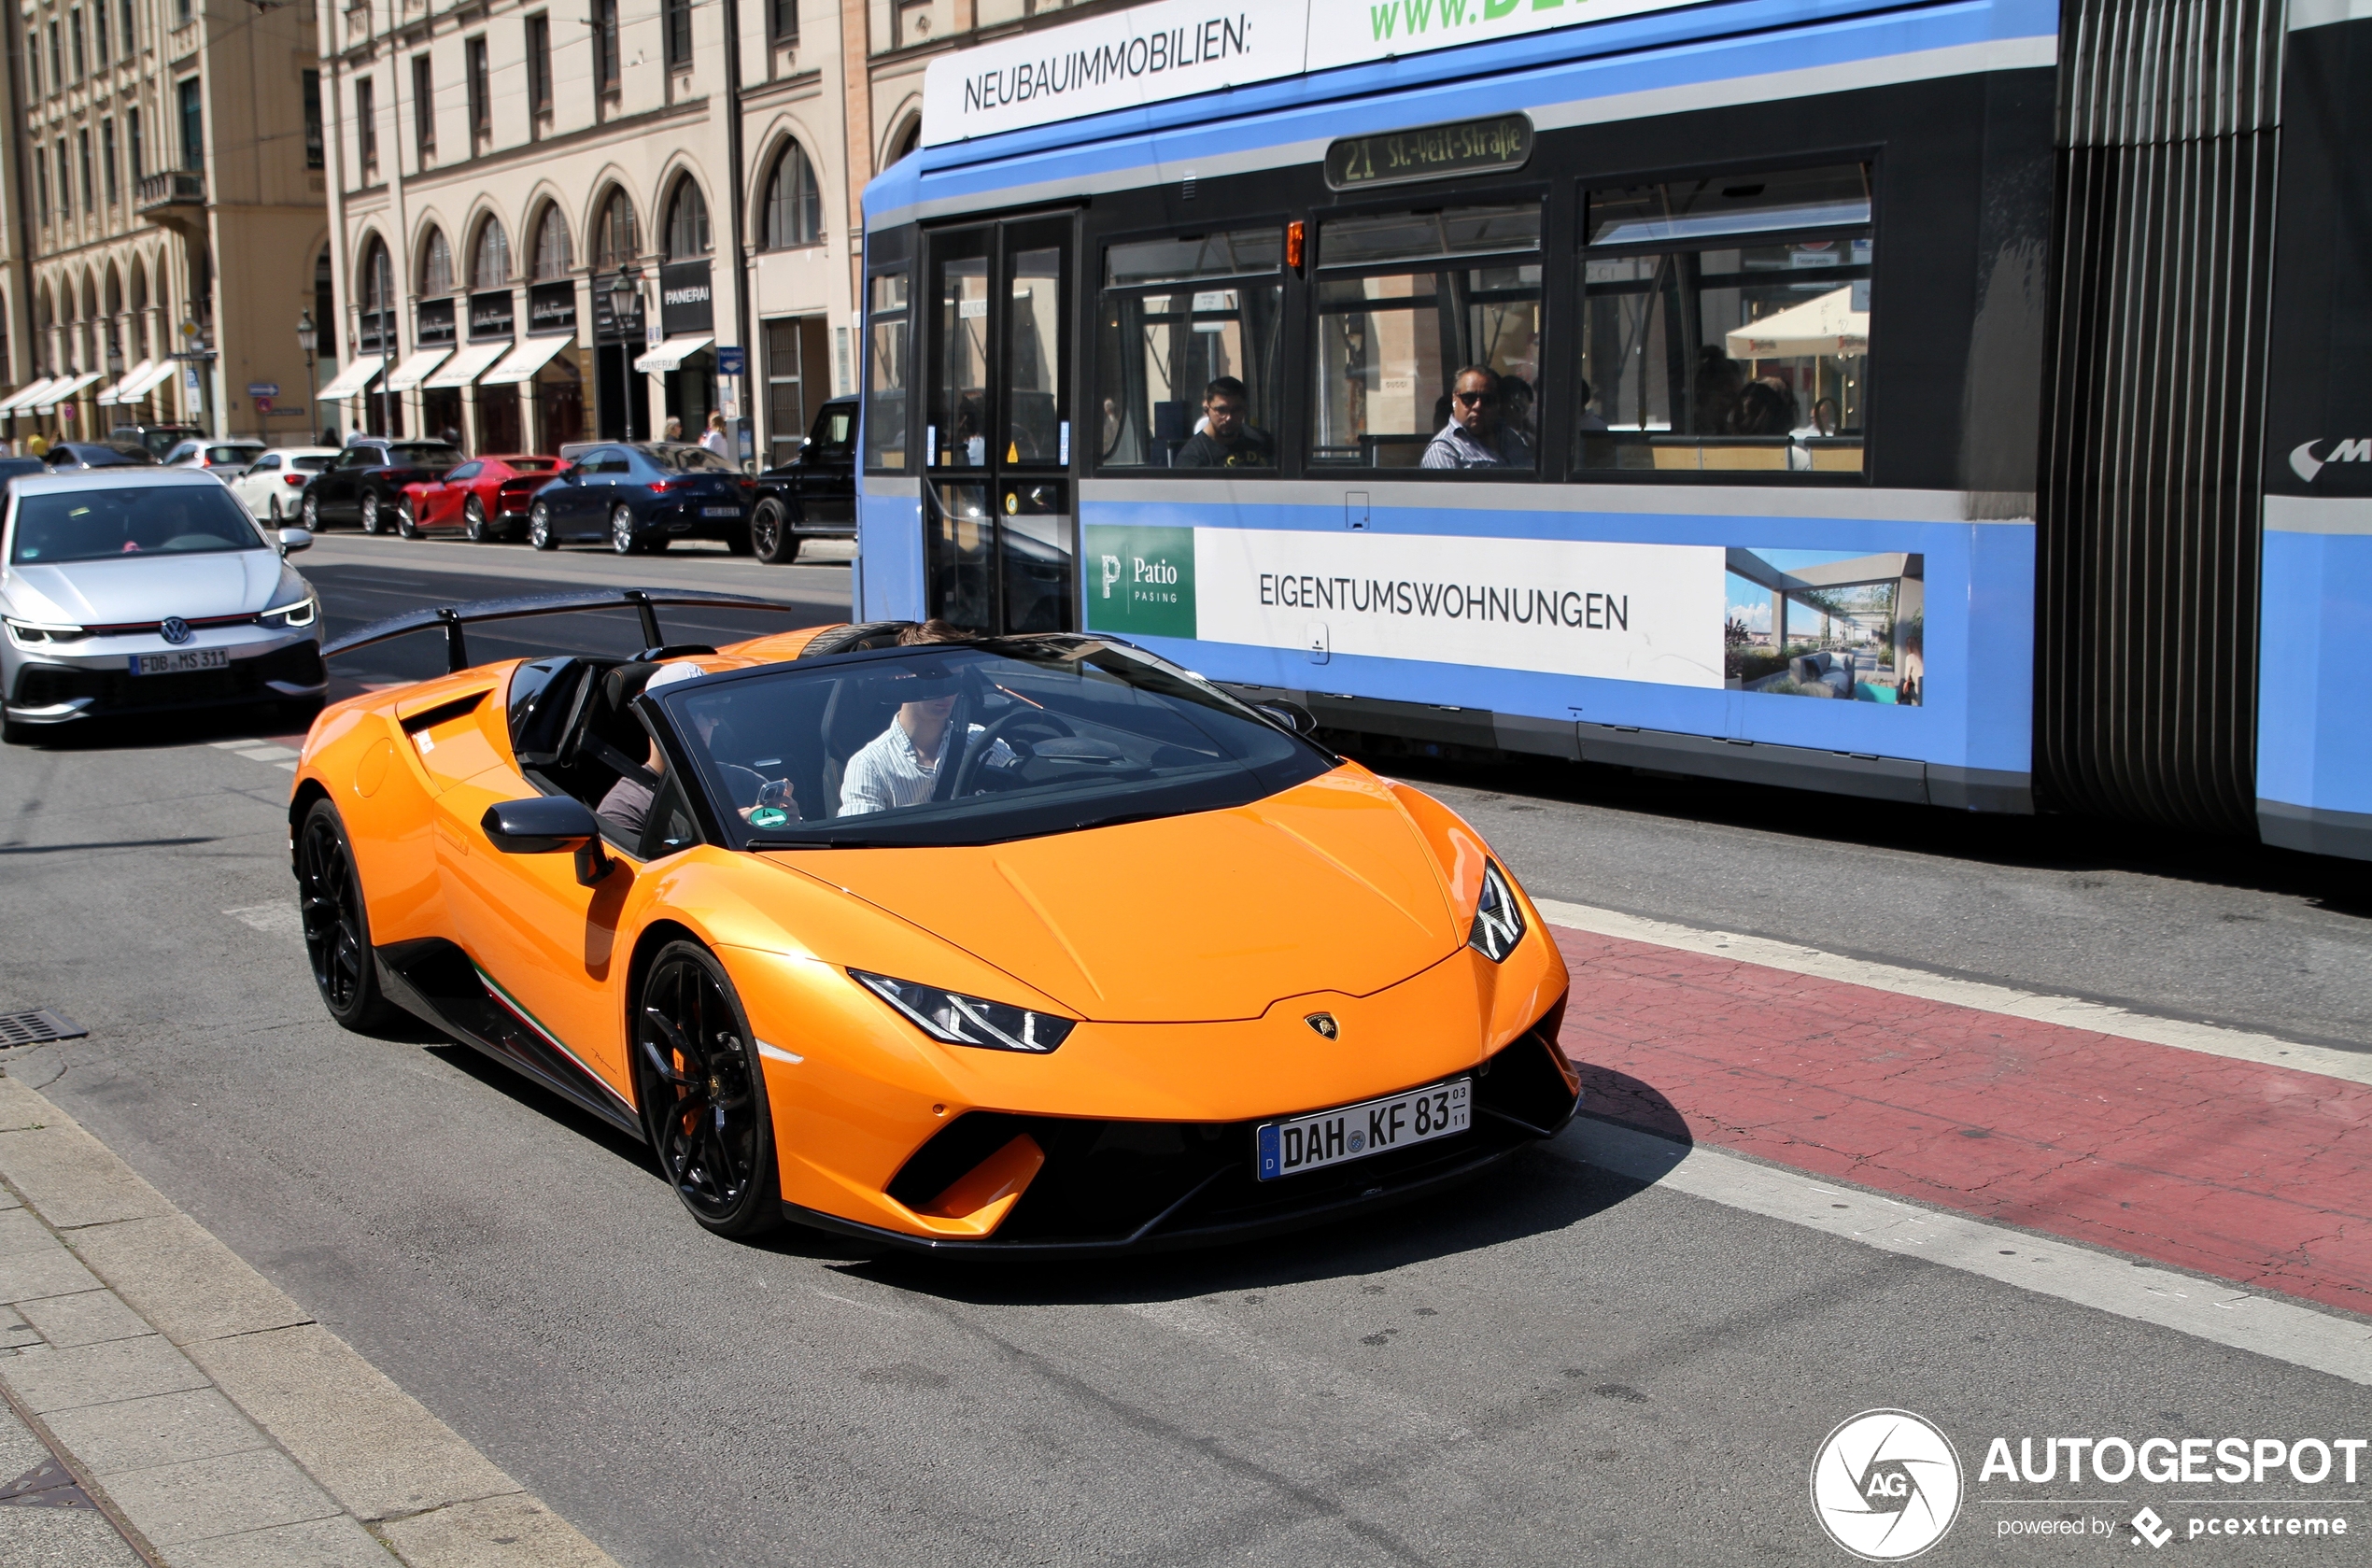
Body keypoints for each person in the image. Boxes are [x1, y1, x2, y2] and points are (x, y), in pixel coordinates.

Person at [597, 662, 708, 839]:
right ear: (654, 719)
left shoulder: (744, 782)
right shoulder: (625, 808)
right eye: (693, 710)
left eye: (713, 710)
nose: (712, 722)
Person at [1420, 366, 1532, 469]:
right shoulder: (1443, 451)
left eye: (1487, 399)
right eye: (1469, 398)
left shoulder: (1510, 437)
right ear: (1454, 399)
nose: (1478, 406)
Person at [1170, 377, 1274, 468]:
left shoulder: (1261, 441)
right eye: (1221, 410)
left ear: (1245, 409)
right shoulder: (1193, 457)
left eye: (1236, 410)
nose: (1229, 417)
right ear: (1207, 409)